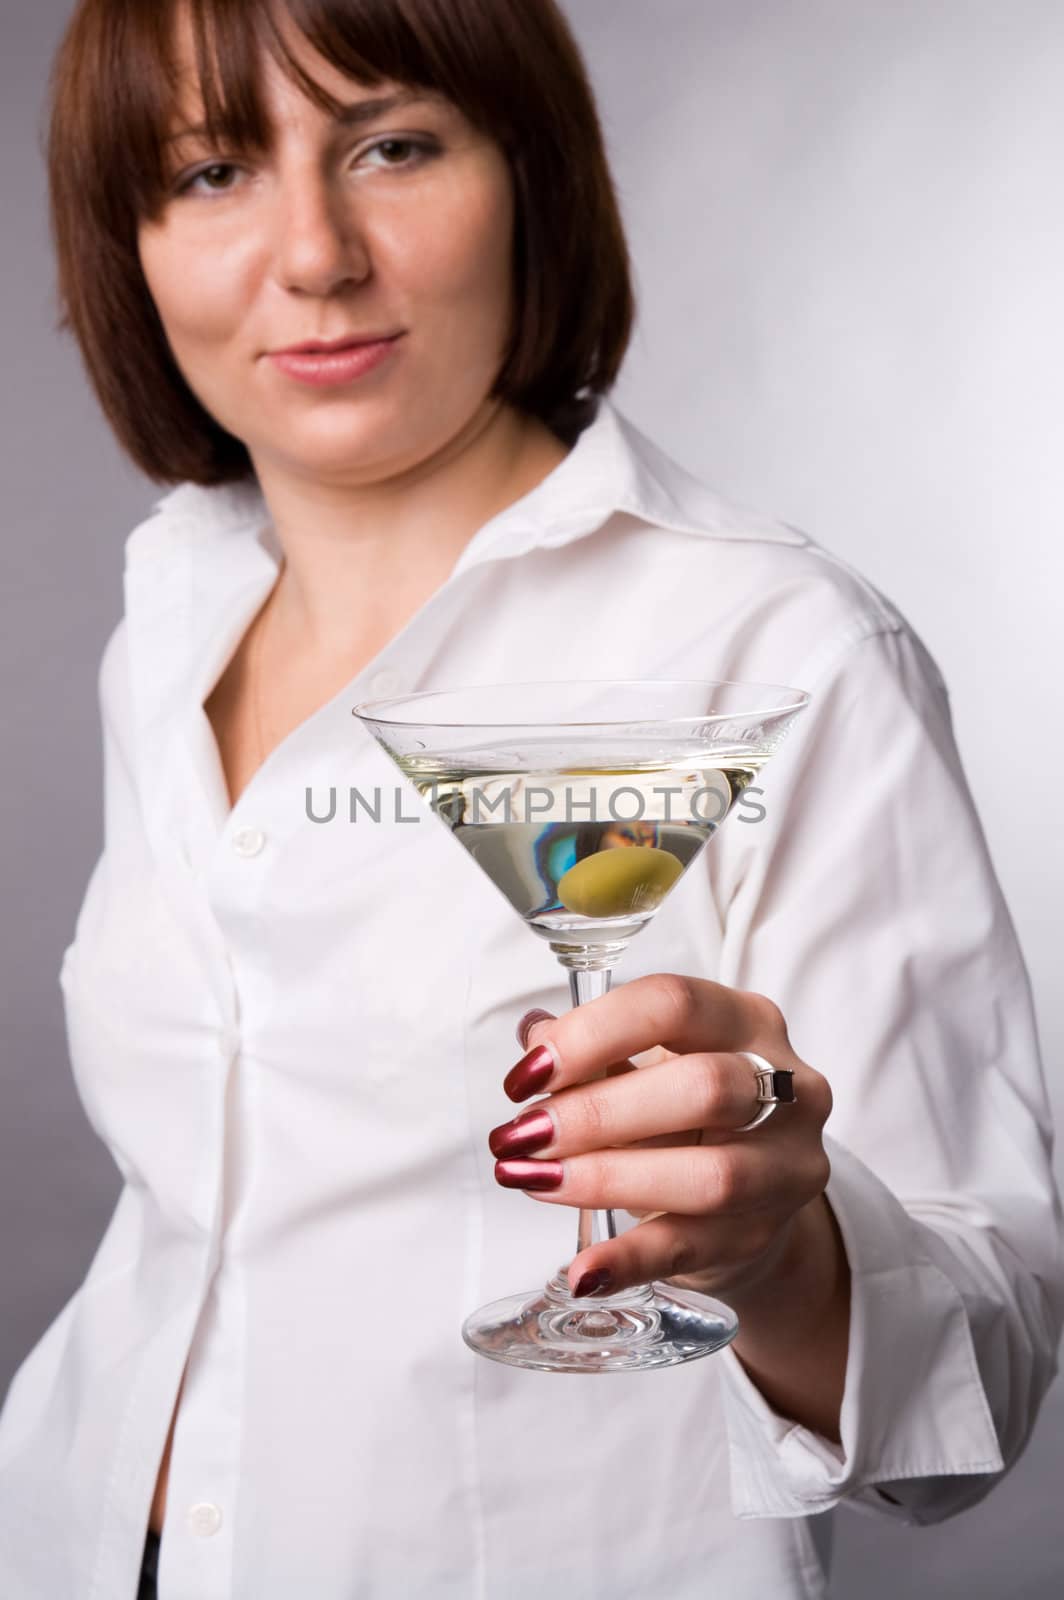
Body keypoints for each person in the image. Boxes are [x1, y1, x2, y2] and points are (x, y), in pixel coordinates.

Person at [1, 0, 1060, 1595]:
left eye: (392, 145)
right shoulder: (175, 610)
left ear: (531, 174)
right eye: (213, 171)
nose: (314, 254)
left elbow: (986, 1362)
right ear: (128, 243)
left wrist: (784, 1244)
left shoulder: (772, 646)